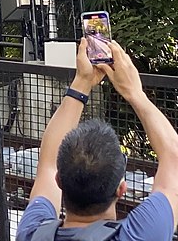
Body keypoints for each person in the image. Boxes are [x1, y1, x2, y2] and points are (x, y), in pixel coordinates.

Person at [16, 39, 178, 240]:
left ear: (60, 181)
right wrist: (134, 92)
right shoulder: (140, 235)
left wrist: (81, 82)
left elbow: (48, 164)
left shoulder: (32, 232)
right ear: (121, 188)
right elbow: (174, 156)